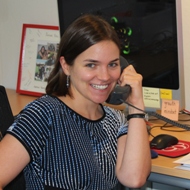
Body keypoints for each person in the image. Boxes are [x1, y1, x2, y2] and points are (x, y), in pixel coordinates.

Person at [0, 14, 151, 190]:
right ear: (66, 66)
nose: (104, 76)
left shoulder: (115, 120)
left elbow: (134, 179)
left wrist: (137, 106)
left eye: (112, 64)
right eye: (91, 65)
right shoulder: (44, 114)